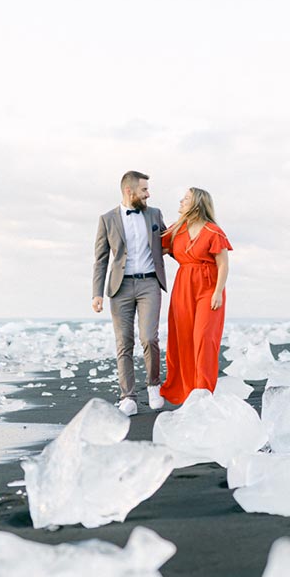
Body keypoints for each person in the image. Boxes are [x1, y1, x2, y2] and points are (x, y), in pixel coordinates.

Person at [92, 171, 168, 416]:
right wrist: (97, 293)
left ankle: (154, 386)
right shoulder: (107, 219)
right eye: (144, 189)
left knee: (149, 338)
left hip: (149, 284)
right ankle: (128, 397)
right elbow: (101, 259)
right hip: (120, 287)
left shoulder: (155, 214)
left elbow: (169, 243)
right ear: (129, 191)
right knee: (124, 342)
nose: (148, 194)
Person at [160, 187, 232, 405]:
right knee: (182, 338)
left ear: (198, 203)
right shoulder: (176, 230)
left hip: (209, 288)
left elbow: (223, 264)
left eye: (187, 199)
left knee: (203, 339)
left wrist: (218, 292)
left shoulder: (213, 231)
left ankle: (203, 392)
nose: (181, 201)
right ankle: (186, 391)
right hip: (183, 287)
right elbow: (157, 249)